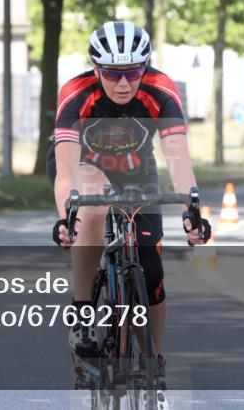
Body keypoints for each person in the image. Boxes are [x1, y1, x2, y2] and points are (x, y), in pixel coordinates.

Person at [48, 21, 210, 365]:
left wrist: (192, 211)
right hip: (85, 164)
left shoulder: (160, 90)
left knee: (151, 268)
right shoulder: (76, 92)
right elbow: (65, 171)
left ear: (145, 66)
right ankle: (83, 313)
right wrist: (66, 217)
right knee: (93, 203)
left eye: (134, 71)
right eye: (111, 73)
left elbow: (178, 158)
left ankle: (152, 357)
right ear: (96, 69)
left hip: (136, 169)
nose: (123, 83)